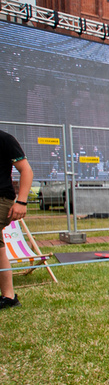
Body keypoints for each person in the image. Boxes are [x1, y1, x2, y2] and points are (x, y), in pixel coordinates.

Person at [0, 130, 33, 310]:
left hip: (2, 199)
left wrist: (21, 201)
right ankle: (9, 297)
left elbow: (26, 170)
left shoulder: (5, 139)